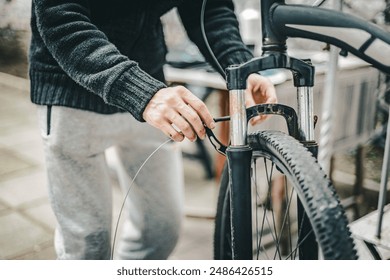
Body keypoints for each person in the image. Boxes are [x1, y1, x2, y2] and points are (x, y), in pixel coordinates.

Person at [29, 0, 277, 259]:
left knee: (160, 231)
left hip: (150, 86)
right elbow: (61, 17)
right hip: (72, 93)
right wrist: (141, 92)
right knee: (87, 246)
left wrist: (239, 66)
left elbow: (208, 8)